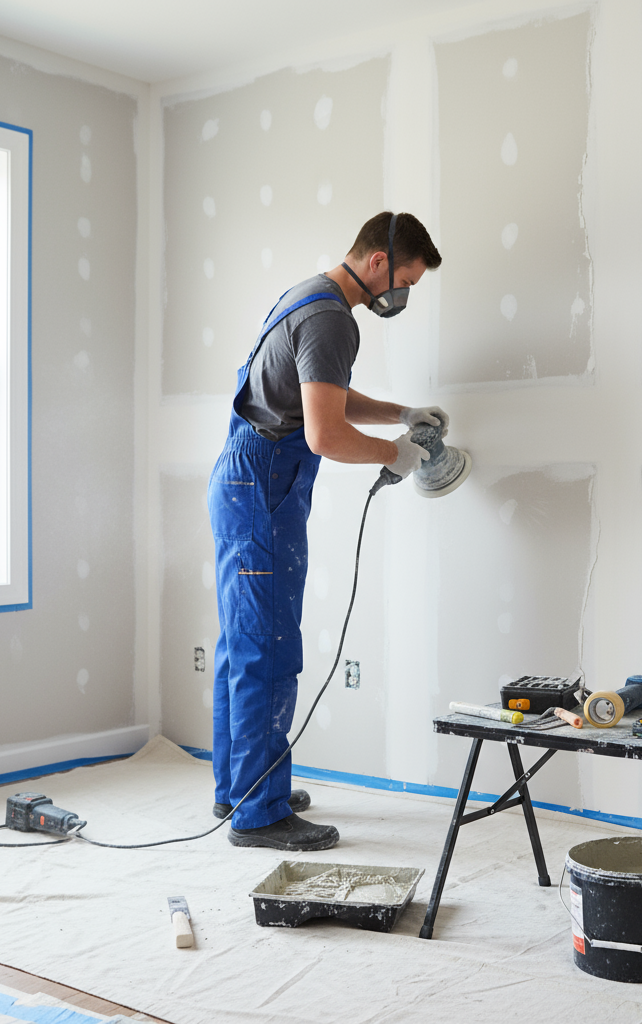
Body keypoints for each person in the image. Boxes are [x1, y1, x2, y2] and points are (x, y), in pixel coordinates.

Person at [207, 211, 448, 852]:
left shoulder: (307, 296)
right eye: (404, 282)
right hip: (263, 485)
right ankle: (261, 813)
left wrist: (401, 412)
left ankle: (239, 787)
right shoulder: (331, 319)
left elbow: (324, 397)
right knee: (268, 646)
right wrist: (392, 453)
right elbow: (326, 433)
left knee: (241, 642)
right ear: (377, 264)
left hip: (245, 475)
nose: (400, 297)